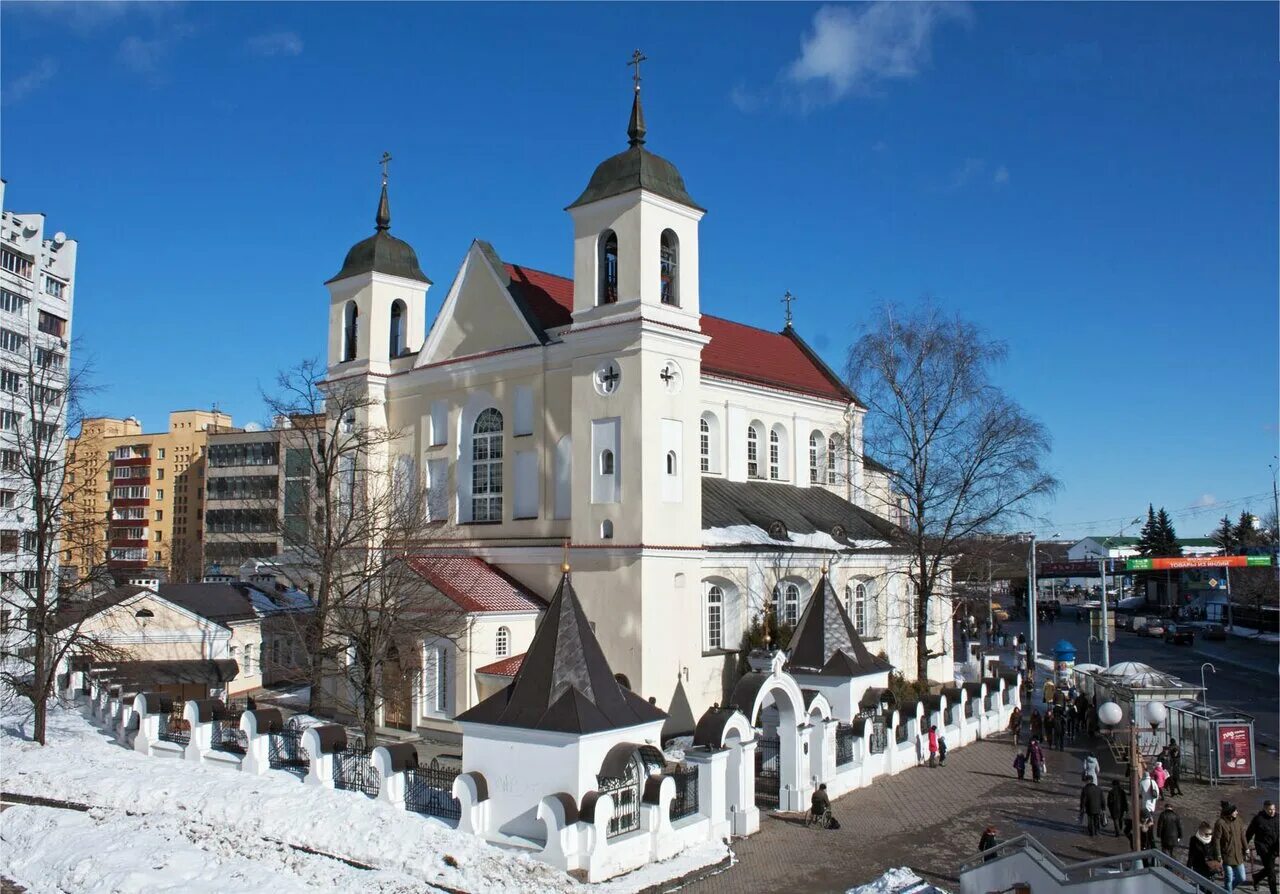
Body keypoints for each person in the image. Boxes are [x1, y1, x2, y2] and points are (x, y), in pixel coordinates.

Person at [1213, 801, 1248, 892]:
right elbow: (1216, 840)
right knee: (1229, 879)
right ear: (1229, 812)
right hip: (1226, 856)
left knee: (1242, 878)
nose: (1237, 812)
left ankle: (1225, 891)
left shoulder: (1238, 820)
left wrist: (1246, 848)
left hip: (1238, 855)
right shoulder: (1220, 823)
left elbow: (1242, 835)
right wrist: (1218, 855)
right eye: (1235, 811)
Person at [1247, 800, 1278, 894]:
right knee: (1271, 872)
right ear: (1264, 809)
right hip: (1263, 849)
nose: (1272, 811)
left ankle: (1256, 877)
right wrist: (1244, 847)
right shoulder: (1258, 819)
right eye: (1270, 809)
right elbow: (1249, 833)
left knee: (1269, 869)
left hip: (1274, 848)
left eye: (1274, 809)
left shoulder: (1278, 818)